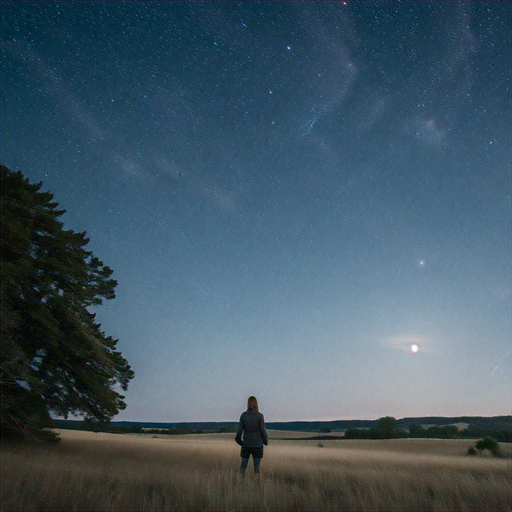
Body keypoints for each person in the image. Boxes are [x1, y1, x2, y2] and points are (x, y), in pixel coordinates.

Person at [235, 396, 268, 479]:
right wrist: (265, 441)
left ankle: (240, 483)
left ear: (248, 404)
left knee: (243, 467)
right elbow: (262, 430)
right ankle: (257, 485)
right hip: (257, 445)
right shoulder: (260, 416)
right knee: (257, 468)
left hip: (246, 444)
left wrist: (241, 443)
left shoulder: (243, 416)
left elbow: (239, 432)